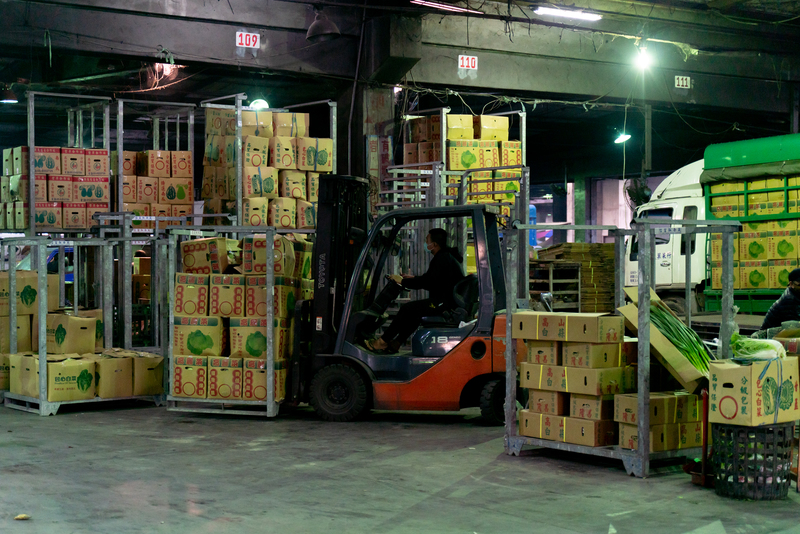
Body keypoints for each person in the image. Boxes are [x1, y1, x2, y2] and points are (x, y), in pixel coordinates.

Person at [365, 228, 465, 354]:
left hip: (445, 304)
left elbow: (427, 282)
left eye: (426, 240)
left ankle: (382, 342)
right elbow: (432, 279)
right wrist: (412, 278)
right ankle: (396, 343)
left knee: (407, 309)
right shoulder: (446, 256)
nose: (425, 243)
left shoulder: (442, 258)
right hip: (445, 301)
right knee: (415, 314)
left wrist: (402, 281)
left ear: (434, 244)